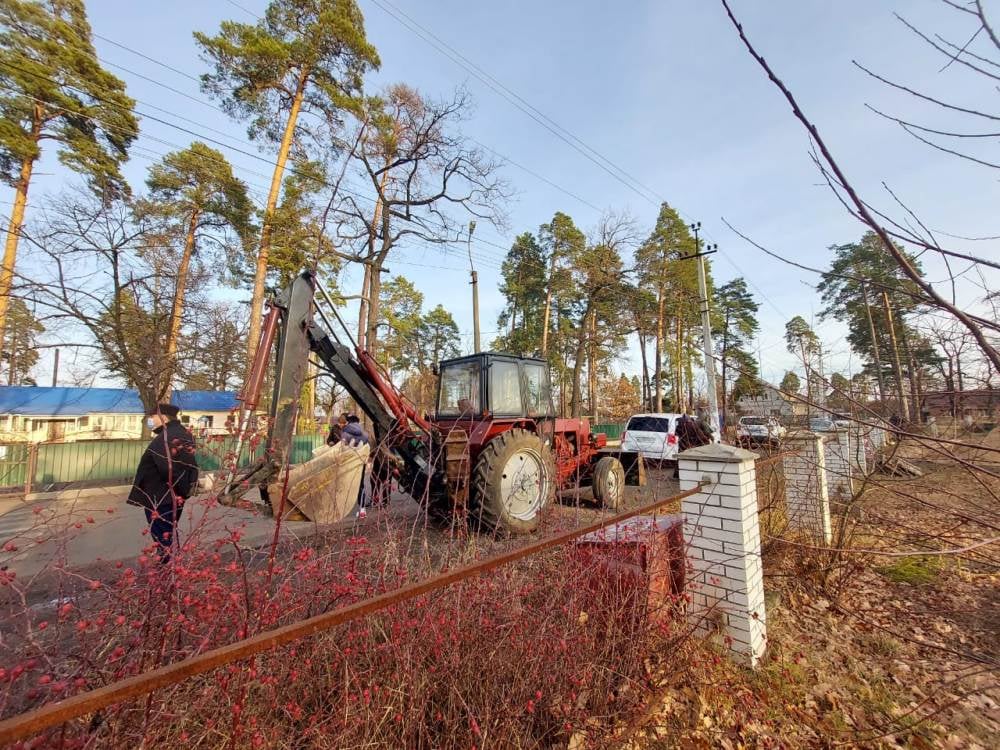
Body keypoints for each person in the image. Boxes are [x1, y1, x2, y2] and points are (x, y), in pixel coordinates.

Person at [127, 404, 199, 565]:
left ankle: (169, 571)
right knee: (168, 533)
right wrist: (185, 490)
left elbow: (169, 469)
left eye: (152, 418)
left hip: (160, 496)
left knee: (163, 536)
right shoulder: (184, 434)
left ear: (163, 418)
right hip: (174, 495)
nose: (150, 421)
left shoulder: (165, 438)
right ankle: (172, 569)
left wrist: (180, 489)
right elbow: (192, 465)